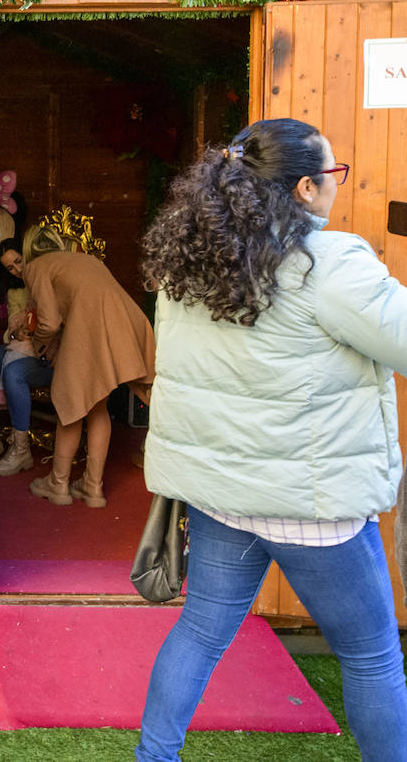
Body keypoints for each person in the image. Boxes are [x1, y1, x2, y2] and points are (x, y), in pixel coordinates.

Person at [135, 118, 407, 761]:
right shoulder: (329, 262)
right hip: (312, 506)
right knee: (372, 659)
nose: (337, 186)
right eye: (335, 175)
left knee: (200, 632)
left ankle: (153, 756)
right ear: (307, 188)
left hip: (222, 495)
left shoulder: (191, 260)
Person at [20, 223, 155, 507]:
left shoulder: (37, 267)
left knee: (71, 407)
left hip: (90, 333)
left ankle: (58, 484)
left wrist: (39, 346)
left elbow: (49, 321)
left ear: (29, 251)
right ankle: (93, 488)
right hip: (126, 329)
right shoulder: (84, 259)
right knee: (97, 406)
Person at [0, 238, 52, 475]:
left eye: (18, 261)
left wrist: (35, 334)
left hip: (48, 353)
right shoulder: (16, 290)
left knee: (13, 373)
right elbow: (9, 333)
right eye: (10, 268)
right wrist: (15, 333)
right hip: (19, 346)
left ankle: (21, 450)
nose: (17, 269)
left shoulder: (48, 280)